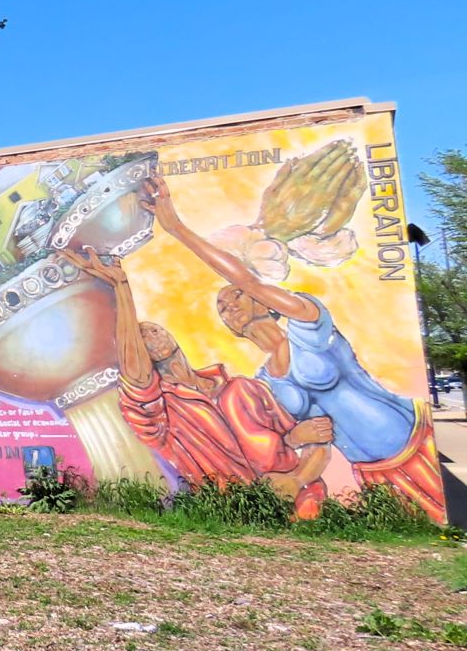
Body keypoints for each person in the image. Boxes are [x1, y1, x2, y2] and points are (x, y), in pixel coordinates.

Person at [143, 174, 445, 520]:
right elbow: (318, 440)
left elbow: (246, 277)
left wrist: (177, 229)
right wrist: (297, 472)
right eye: (223, 308)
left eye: (237, 296)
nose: (230, 306)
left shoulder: (309, 324)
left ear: (264, 300)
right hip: (374, 474)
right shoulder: (266, 382)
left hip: (415, 441)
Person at [63, 247, 332, 516]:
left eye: (153, 330)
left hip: (307, 501)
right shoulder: (162, 417)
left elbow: (312, 440)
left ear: (170, 335)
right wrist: (121, 287)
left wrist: (297, 476)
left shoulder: (243, 386)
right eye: (139, 337)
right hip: (241, 513)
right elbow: (137, 376)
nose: (148, 337)